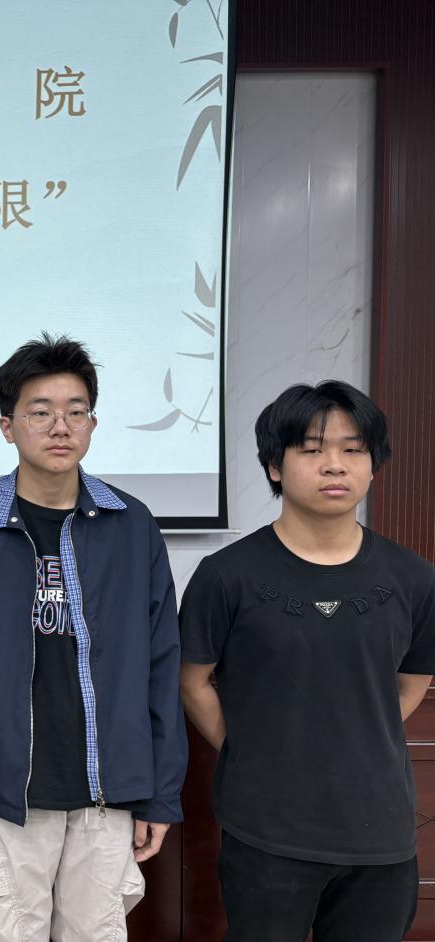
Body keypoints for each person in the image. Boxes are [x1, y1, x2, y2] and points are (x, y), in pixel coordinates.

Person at [0, 332, 186, 942]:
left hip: (109, 788)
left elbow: (162, 662)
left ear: (93, 423)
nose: (60, 427)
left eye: (76, 411)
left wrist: (160, 794)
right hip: (9, 796)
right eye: (40, 412)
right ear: (7, 426)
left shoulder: (131, 525)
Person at [180, 380, 433, 942]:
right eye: (312, 449)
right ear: (275, 465)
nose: (335, 464)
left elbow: (412, 681)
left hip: (381, 833)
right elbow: (192, 681)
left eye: (353, 449)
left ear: (373, 465)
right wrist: (248, 745)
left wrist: (357, 734)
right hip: (266, 830)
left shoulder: (413, 577)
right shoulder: (226, 576)